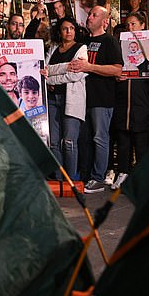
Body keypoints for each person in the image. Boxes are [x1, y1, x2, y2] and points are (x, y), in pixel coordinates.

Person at [68, 6, 123, 194]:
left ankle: (98, 178)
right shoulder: (83, 41)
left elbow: (117, 69)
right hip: (83, 98)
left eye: (94, 15)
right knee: (84, 139)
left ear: (105, 21)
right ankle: (86, 174)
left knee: (100, 137)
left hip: (102, 98)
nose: (89, 17)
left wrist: (89, 67)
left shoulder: (110, 41)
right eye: (90, 14)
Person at [110, 11, 149, 190]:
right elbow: (113, 68)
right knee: (123, 142)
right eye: (127, 25)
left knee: (141, 143)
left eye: (134, 24)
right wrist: (116, 75)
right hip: (123, 101)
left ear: (143, 25)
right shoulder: (119, 45)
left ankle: (142, 177)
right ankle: (123, 173)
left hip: (142, 103)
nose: (130, 28)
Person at [42, 16, 88, 181]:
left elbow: (76, 74)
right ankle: (58, 178)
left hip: (72, 100)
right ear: (59, 31)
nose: (69, 31)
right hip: (53, 99)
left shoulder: (81, 48)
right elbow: (44, 71)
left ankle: (71, 180)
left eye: (72, 28)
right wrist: (64, 67)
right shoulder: (53, 47)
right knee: (54, 142)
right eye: (65, 28)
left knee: (69, 142)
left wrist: (52, 77)